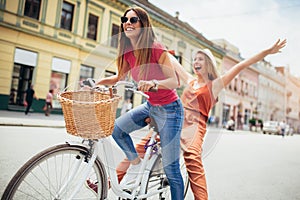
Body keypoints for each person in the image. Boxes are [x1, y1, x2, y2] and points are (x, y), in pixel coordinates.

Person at [112, 38, 287, 200]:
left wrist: (267, 52)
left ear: (209, 64)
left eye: (200, 59)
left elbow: (242, 65)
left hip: (195, 126)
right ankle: (108, 182)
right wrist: (157, 49)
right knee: (142, 148)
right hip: (174, 118)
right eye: (194, 59)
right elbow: (174, 63)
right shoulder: (190, 81)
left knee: (192, 158)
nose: (196, 62)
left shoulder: (216, 85)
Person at [87, 6, 185, 199]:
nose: (127, 23)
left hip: (170, 110)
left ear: (143, 24)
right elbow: (119, 77)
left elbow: (175, 81)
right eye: (125, 20)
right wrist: (96, 83)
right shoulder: (127, 51)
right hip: (150, 106)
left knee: (171, 168)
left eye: (133, 20)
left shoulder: (155, 48)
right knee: (116, 129)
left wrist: (154, 83)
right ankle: (136, 162)